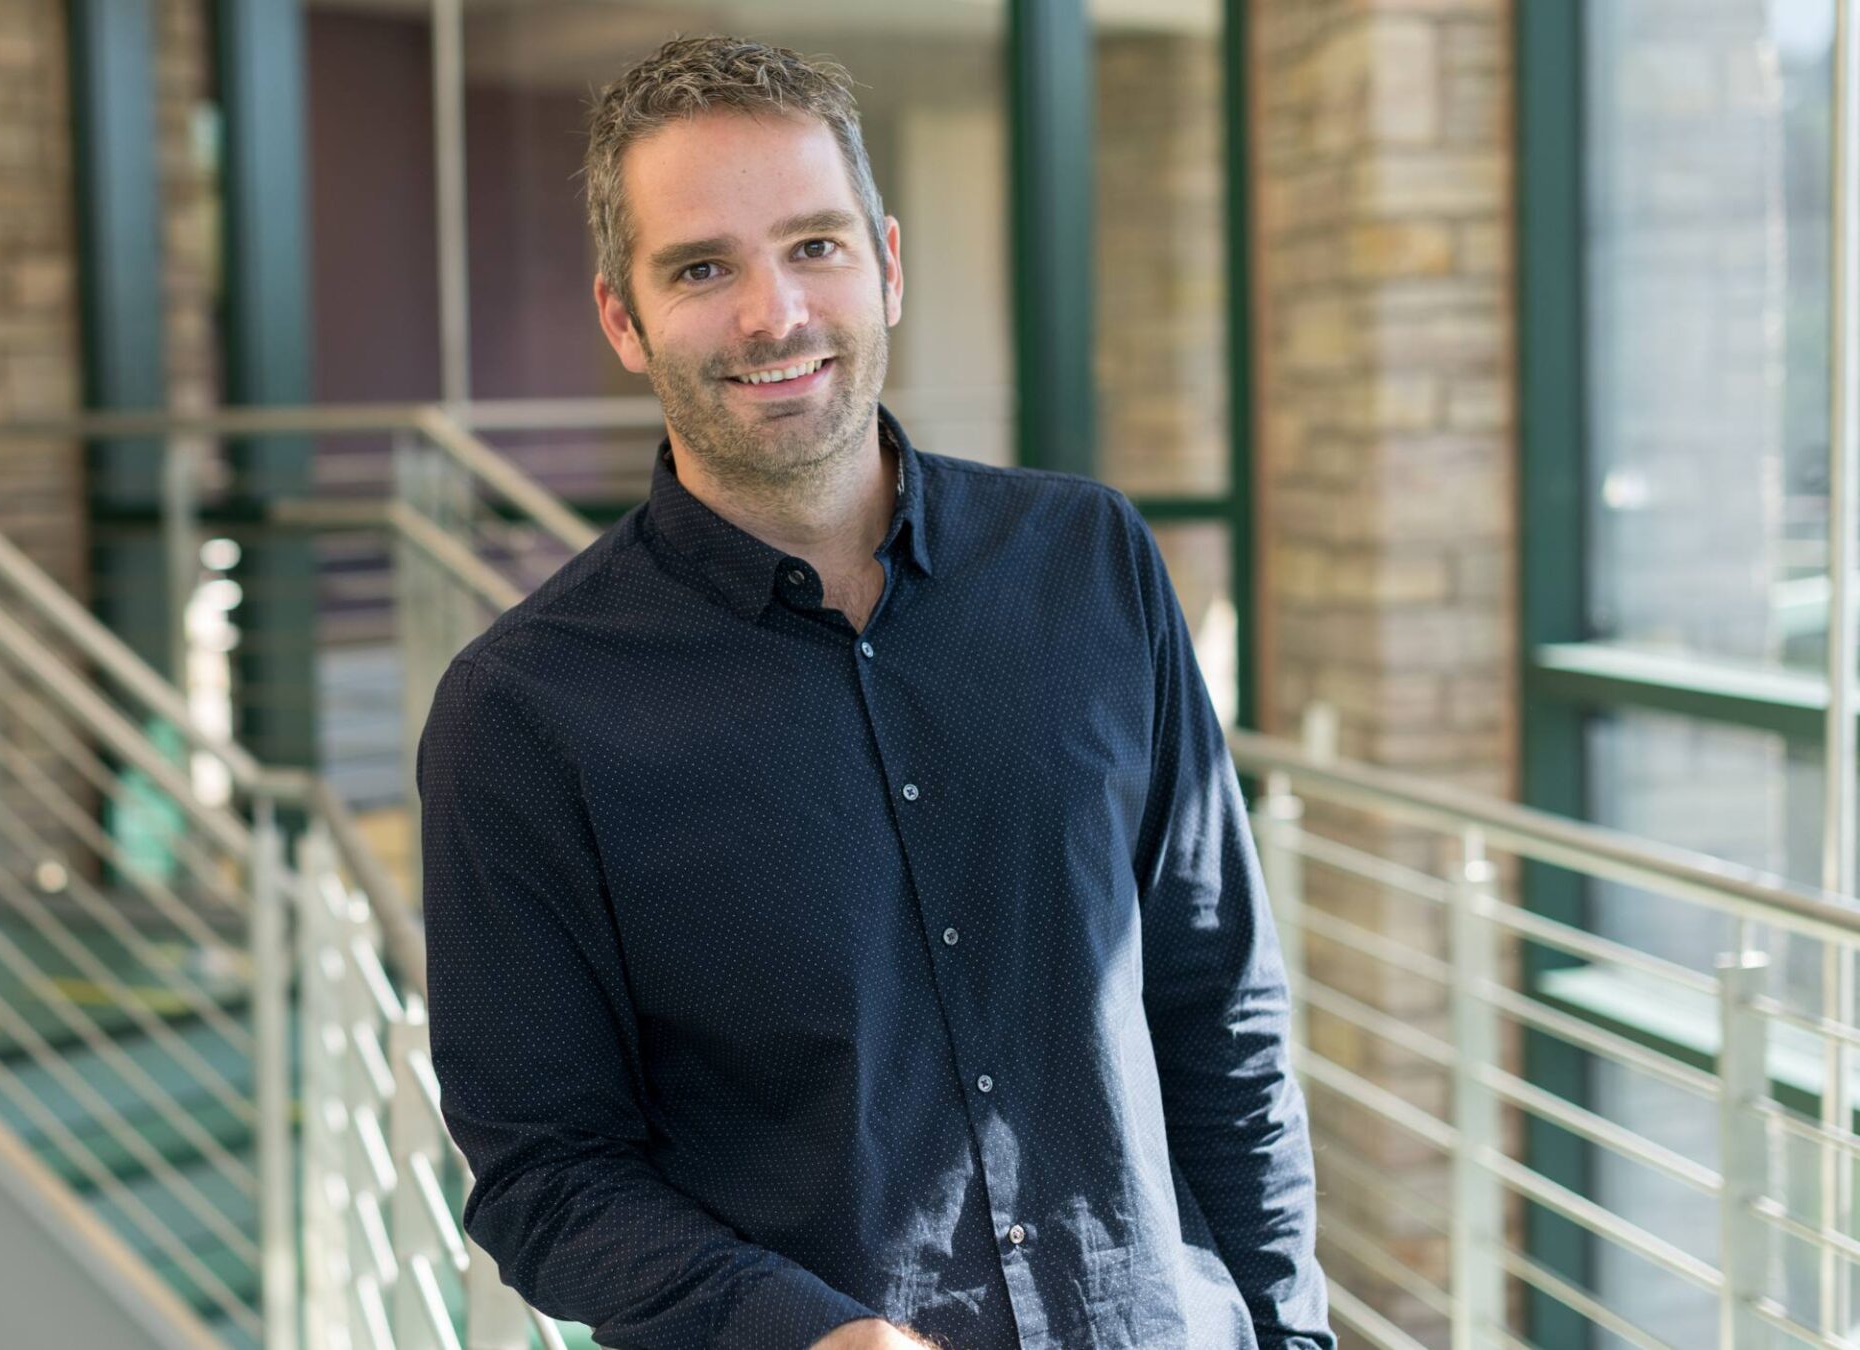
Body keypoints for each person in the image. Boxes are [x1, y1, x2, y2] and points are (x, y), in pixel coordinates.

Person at [416, 34, 1333, 1350]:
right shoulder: (523, 710)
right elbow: (546, 1171)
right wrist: (802, 1331)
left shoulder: (1091, 562)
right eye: (701, 268)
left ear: (887, 265)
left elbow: (1218, 1006)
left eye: (815, 246)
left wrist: (1291, 1332)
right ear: (622, 317)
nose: (774, 313)